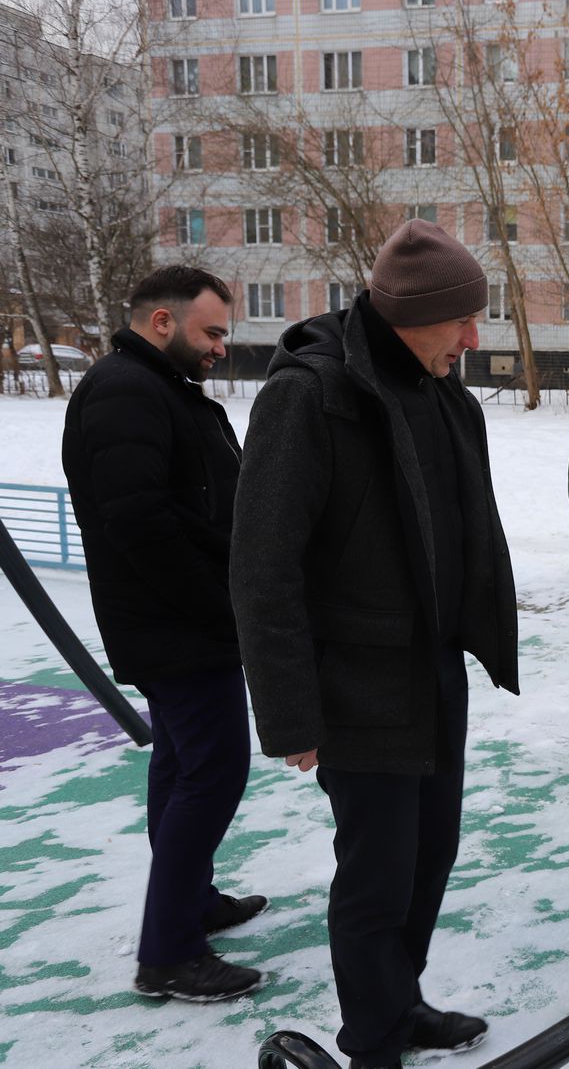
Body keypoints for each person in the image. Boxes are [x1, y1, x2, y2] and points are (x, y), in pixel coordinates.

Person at [231, 220, 519, 1069]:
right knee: (376, 879)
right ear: (410, 315)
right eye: (461, 321)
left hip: (431, 675)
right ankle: (375, 1043)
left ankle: (400, 999)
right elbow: (262, 566)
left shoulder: (443, 394)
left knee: (430, 859)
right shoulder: (310, 395)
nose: (474, 338)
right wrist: (290, 713)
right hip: (356, 683)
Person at [61, 265, 267, 1003]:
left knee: (182, 765)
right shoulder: (125, 391)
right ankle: (170, 952)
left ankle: (192, 902)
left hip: (180, 618)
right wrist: (221, 605)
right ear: (161, 322)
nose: (219, 347)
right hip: (176, 623)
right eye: (210, 331)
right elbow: (139, 522)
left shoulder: (158, 387)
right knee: (213, 771)